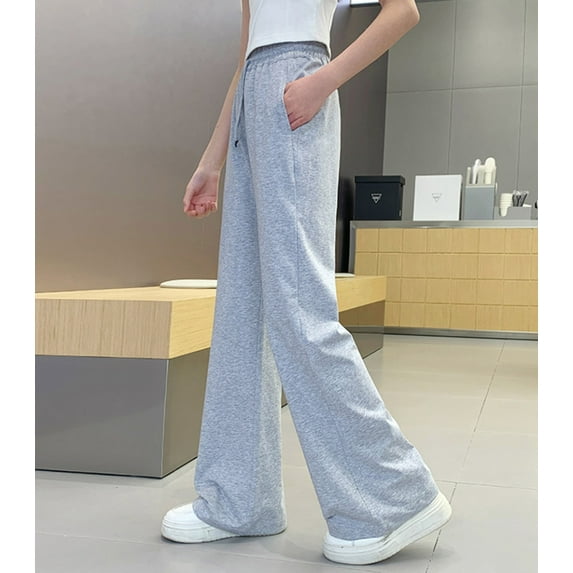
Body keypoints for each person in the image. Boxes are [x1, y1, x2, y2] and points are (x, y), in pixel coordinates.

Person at [161, 0, 451, 565]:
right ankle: (238, 500)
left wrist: (323, 81)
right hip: (252, 100)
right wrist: (212, 160)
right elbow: (246, 55)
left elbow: (403, 11)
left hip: (299, 81)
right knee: (242, 311)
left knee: (300, 307)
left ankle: (392, 499)